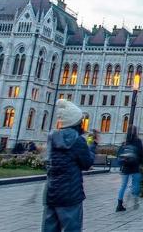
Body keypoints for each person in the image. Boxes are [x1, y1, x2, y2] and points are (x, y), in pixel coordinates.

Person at [42, 99, 97, 232]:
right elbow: (87, 163)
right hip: (70, 194)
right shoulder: (77, 140)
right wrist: (93, 145)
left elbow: (47, 161)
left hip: (51, 192)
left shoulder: (52, 137)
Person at [116, 126, 143, 212]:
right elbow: (141, 154)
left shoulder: (125, 142)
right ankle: (135, 200)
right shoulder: (138, 141)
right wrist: (141, 163)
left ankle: (119, 204)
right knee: (135, 184)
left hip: (125, 166)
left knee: (123, 185)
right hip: (135, 166)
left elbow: (119, 154)